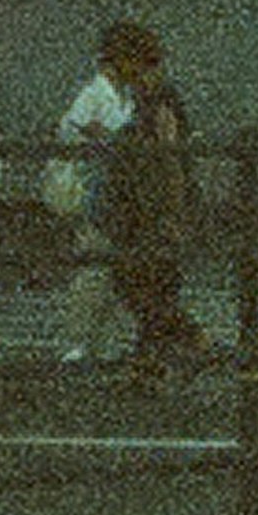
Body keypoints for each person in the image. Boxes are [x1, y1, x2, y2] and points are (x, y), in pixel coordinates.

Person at [83, 21, 203, 364]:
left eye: (113, 60)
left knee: (140, 283)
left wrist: (172, 213)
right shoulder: (145, 98)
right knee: (148, 285)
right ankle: (150, 366)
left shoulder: (159, 101)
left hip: (153, 210)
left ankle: (193, 341)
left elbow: (169, 159)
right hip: (141, 208)